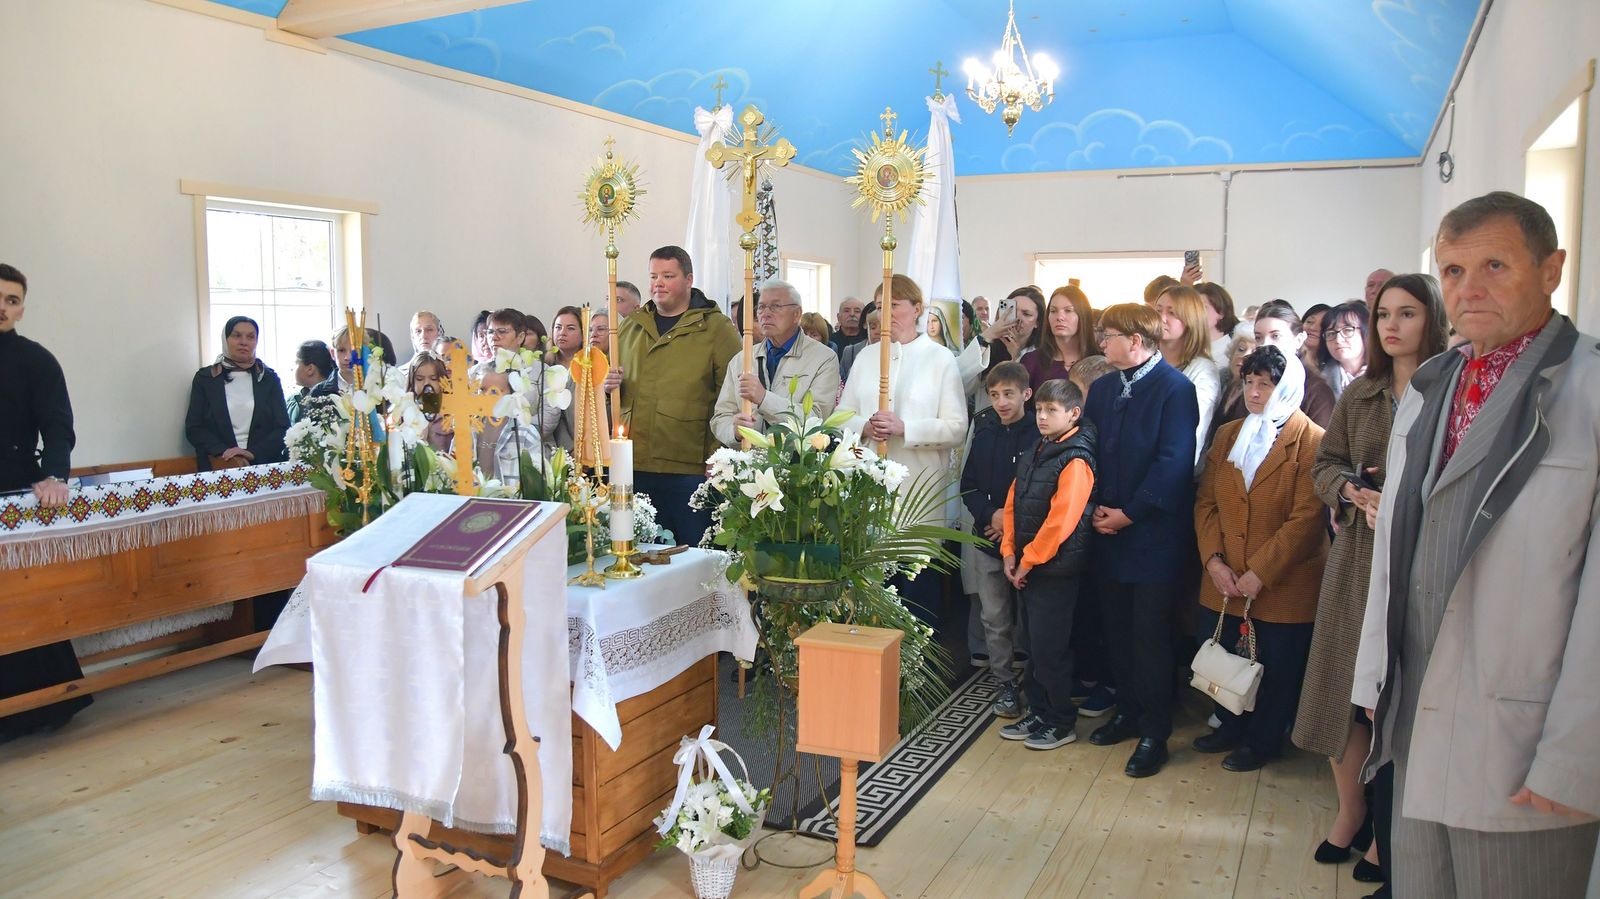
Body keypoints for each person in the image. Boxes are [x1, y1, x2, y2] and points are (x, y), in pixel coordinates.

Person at [1353, 192, 1600, 898]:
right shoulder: (1433, 386)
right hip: (1417, 716)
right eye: (1454, 271)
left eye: (1496, 265)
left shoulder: (1589, 389)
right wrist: (1375, 677)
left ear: (1551, 269)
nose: (1470, 289)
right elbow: (1395, 550)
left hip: (1524, 738)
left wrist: (1574, 756)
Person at [1293, 272, 1448, 886]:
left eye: (1407, 313)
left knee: (1394, 698)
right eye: (1384, 314)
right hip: (1357, 555)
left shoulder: (1450, 388)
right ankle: (1351, 812)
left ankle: (1389, 832)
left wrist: (1403, 500)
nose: (1392, 326)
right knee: (1343, 690)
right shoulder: (1362, 392)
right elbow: (1325, 465)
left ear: (1433, 319)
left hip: (1419, 558)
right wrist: (1352, 491)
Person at [1194, 345, 1327, 772]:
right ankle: (1230, 725)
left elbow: (1307, 518)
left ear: (1286, 388)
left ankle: (1264, 741)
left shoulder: (1313, 441)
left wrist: (1260, 572)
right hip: (1226, 577)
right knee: (1227, 656)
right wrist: (1214, 562)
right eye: (1249, 382)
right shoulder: (1229, 434)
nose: (1254, 392)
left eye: (1265, 385)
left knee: (1277, 665)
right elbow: (1206, 502)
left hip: (1283, 582)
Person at [1081, 303, 1199, 778]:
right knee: (1115, 629)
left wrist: (1129, 514)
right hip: (1106, 528)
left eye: (1107, 334)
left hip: (1151, 533)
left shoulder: (1176, 388)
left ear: (1135, 340)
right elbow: (1087, 449)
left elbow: (1174, 462)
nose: (1101, 342)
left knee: (1149, 634)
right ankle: (1126, 712)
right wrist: (1095, 508)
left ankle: (1155, 730)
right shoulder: (1104, 387)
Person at [838, 273, 968, 627]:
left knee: (915, 594)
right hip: (868, 492)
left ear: (918, 309)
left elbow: (956, 427)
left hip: (917, 493)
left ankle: (916, 658)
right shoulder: (866, 357)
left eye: (894, 305)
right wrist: (864, 425)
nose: (886, 314)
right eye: (880, 306)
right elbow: (839, 417)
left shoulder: (940, 359)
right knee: (872, 591)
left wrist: (906, 428)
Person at [0, 263, 94, 741]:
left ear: (22, 309)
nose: (2, 307)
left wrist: (55, 476)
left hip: (16, 489)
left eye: (12, 300)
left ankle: (36, 707)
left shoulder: (37, 360)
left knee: (22, 598)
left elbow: (58, 427)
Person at [603, 246, 740, 545]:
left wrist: (718, 456)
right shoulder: (631, 326)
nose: (658, 284)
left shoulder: (716, 329)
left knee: (693, 551)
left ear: (689, 279)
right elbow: (615, 391)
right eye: (653, 276)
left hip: (689, 465)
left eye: (668, 276)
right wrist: (608, 387)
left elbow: (730, 396)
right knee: (640, 549)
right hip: (635, 461)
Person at [997, 378, 1097, 751]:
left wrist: (1029, 560)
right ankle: (1038, 711)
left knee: (1050, 650)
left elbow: (1062, 520)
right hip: (1027, 564)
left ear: (1073, 414)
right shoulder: (1038, 448)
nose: (1041, 416)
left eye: (1051, 410)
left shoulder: (1076, 458)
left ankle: (1060, 720)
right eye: (1039, 409)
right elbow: (1013, 501)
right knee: (1031, 645)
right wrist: (1009, 551)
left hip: (1054, 570)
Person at [961, 362, 1039, 712]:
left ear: (1026, 394)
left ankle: (1038, 684)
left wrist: (1011, 522)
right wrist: (990, 515)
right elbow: (969, 485)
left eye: (1009, 394)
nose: (1001, 402)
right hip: (988, 538)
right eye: (994, 395)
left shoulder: (1039, 434)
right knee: (994, 617)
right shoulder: (985, 431)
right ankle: (1004, 682)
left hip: (1028, 542)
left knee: (1033, 618)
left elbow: (1042, 489)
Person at [711, 279, 839, 447]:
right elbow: (721, 416)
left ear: (797, 314)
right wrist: (734, 431)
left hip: (797, 460)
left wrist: (764, 399)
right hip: (749, 458)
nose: (765, 313)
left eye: (775, 306)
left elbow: (816, 419)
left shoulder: (823, 358)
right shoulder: (742, 360)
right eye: (761, 307)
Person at [184, 315, 289, 471]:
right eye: (237, 335)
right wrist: (226, 452)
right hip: (219, 463)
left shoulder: (268, 378)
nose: (244, 342)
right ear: (225, 339)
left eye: (250, 337)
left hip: (263, 464)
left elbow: (283, 427)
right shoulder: (206, 378)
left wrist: (251, 453)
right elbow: (195, 428)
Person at [1217, 303, 1336, 428]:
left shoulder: (1316, 391)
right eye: (1258, 337)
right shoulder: (1248, 381)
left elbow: (1317, 438)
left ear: (1298, 340)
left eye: (1275, 336)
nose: (1265, 344)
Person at [1155, 284, 1222, 472]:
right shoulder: (1148, 361)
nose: (1161, 318)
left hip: (1174, 473)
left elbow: (1193, 436)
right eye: (1158, 310)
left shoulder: (1202, 371)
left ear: (1191, 319)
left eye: (1172, 313)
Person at [1021, 284, 1096, 391]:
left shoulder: (1099, 361)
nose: (1059, 317)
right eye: (1053, 311)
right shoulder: (1031, 361)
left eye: (1068, 310)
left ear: (1083, 315)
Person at [1317, 300, 1370, 400]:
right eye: (1331, 333)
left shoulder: (1386, 377)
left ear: (1366, 332)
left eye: (1347, 330)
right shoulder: (1318, 380)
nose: (1338, 339)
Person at [407, 350, 455, 453]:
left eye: (433, 379)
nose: (426, 384)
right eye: (419, 379)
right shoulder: (404, 409)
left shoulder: (452, 412)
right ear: (412, 381)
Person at [287, 339, 333, 424]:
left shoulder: (333, 399)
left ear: (310, 369)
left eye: (296, 363)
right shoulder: (293, 400)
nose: (292, 369)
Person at [1197, 282, 1241, 370]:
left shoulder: (1229, 353)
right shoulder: (1187, 347)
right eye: (1192, 307)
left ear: (1221, 312)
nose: (1195, 313)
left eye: (1203, 307)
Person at [838, 304, 879, 384]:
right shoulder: (850, 352)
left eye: (882, 327)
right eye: (873, 328)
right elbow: (842, 383)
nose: (877, 332)